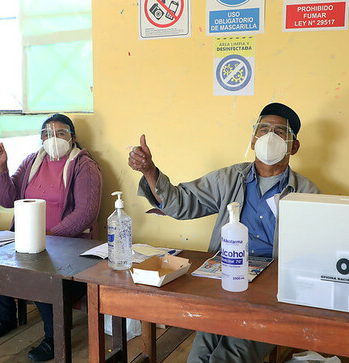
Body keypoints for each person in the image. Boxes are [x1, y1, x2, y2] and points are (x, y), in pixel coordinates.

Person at [128, 103, 320, 363]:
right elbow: (182, 203)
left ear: (293, 146)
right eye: (263, 129)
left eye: (280, 131)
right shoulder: (230, 179)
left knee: (228, 357)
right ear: (253, 140)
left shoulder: (307, 192)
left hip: (270, 294)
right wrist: (149, 170)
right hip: (224, 281)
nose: (270, 136)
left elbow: (316, 252)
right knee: (198, 357)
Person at [0, 113, 102, 362]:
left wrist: (47, 235)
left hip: (68, 246)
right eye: (47, 134)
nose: (53, 138)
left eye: (60, 133)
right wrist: (1, 169)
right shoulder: (32, 161)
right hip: (27, 240)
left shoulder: (84, 166)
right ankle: (6, 317)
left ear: (73, 137)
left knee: (43, 273)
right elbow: (8, 200)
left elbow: (86, 214)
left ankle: (54, 336)